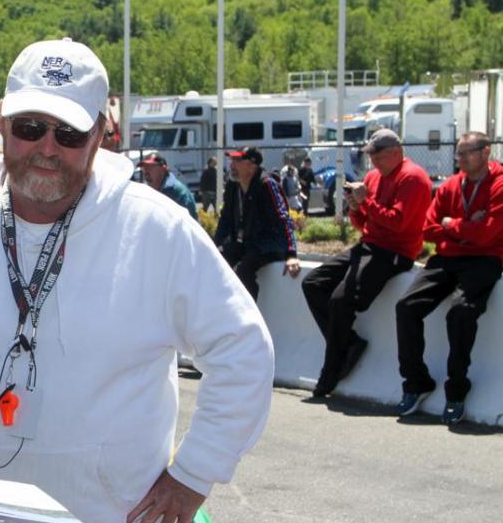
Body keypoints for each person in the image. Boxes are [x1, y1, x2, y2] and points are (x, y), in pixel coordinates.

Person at [0, 37, 273, 523]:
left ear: (101, 133)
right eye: (30, 127)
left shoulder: (157, 229)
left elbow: (243, 349)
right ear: (2, 122)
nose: (47, 148)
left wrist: (195, 473)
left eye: (69, 133)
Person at [301, 129, 432, 397]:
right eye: (371, 157)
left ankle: (331, 369)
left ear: (396, 152)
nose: (373, 162)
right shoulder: (373, 177)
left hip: (395, 251)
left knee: (341, 301)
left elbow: (397, 223)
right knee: (313, 283)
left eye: (378, 156)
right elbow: (364, 224)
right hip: (370, 245)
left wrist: (366, 203)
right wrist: (356, 207)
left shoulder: (413, 178)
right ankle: (349, 342)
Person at [394, 132, 503, 423]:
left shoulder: (499, 184)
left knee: (461, 312)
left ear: (486, 152)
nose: (460, 159)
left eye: (466, 153)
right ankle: (416, 383)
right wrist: (465, 227)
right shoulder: (450, 186)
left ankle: (456, 390)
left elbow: (487, 234)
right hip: (446, 258)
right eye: (458, 153)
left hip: (485, 259)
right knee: (406, 307)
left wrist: (450, 225)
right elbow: (427, 229)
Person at [213, 148, 300, 301]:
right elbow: (225, 219)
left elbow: (284, 220)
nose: (231, 165)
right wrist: (214, 247)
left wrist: (291, 255)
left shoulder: (267, 185)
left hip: (269, 245)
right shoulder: (233, 186)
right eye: (231, 160)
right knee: (216, 260)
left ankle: (249, 313)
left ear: (252, 167)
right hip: (247, 243)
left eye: (237, 161)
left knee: (243, 271)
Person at [137, 152, 198, 221]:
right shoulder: (146, 192)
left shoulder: (179, 193)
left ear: (163, 169)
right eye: (143, 168)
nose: (146, 172)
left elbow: (189, 222)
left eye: (150, 167)